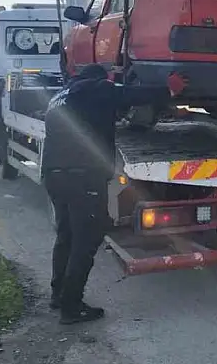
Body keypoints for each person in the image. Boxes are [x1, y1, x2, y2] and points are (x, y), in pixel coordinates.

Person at [42, 64, 187, 325]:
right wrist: (168, 89)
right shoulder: (98, 88)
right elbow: (130, 94)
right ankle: (71, 307)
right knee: (87, 239)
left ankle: (58, 294)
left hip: (54, 175)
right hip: (83, 176)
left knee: (66, 235)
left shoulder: (62, 94)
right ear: (104, 78)